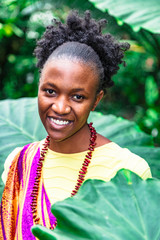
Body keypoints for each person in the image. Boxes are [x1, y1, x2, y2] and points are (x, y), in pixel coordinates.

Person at [0, 10, 151, 240]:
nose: (60, 107)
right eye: (50, 91)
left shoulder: (128, 172)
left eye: (77, 97)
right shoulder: (19, 163)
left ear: (97, 100)